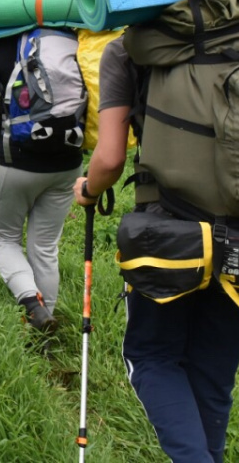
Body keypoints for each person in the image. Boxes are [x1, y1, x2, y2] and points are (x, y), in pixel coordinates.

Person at [75, 34, 239, 463]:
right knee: (214, 372)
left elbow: (109, 160)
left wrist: (88, 191)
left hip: (170, 237)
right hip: (238, 240)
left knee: (152, 357)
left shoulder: (129, 48)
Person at [0, 30, 84, 332]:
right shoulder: (77, 41)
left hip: (16, 163)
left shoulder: (2, 48)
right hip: (68, 166)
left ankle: (31, 303)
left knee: (2, 238)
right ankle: (43, 329)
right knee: (44, 247)